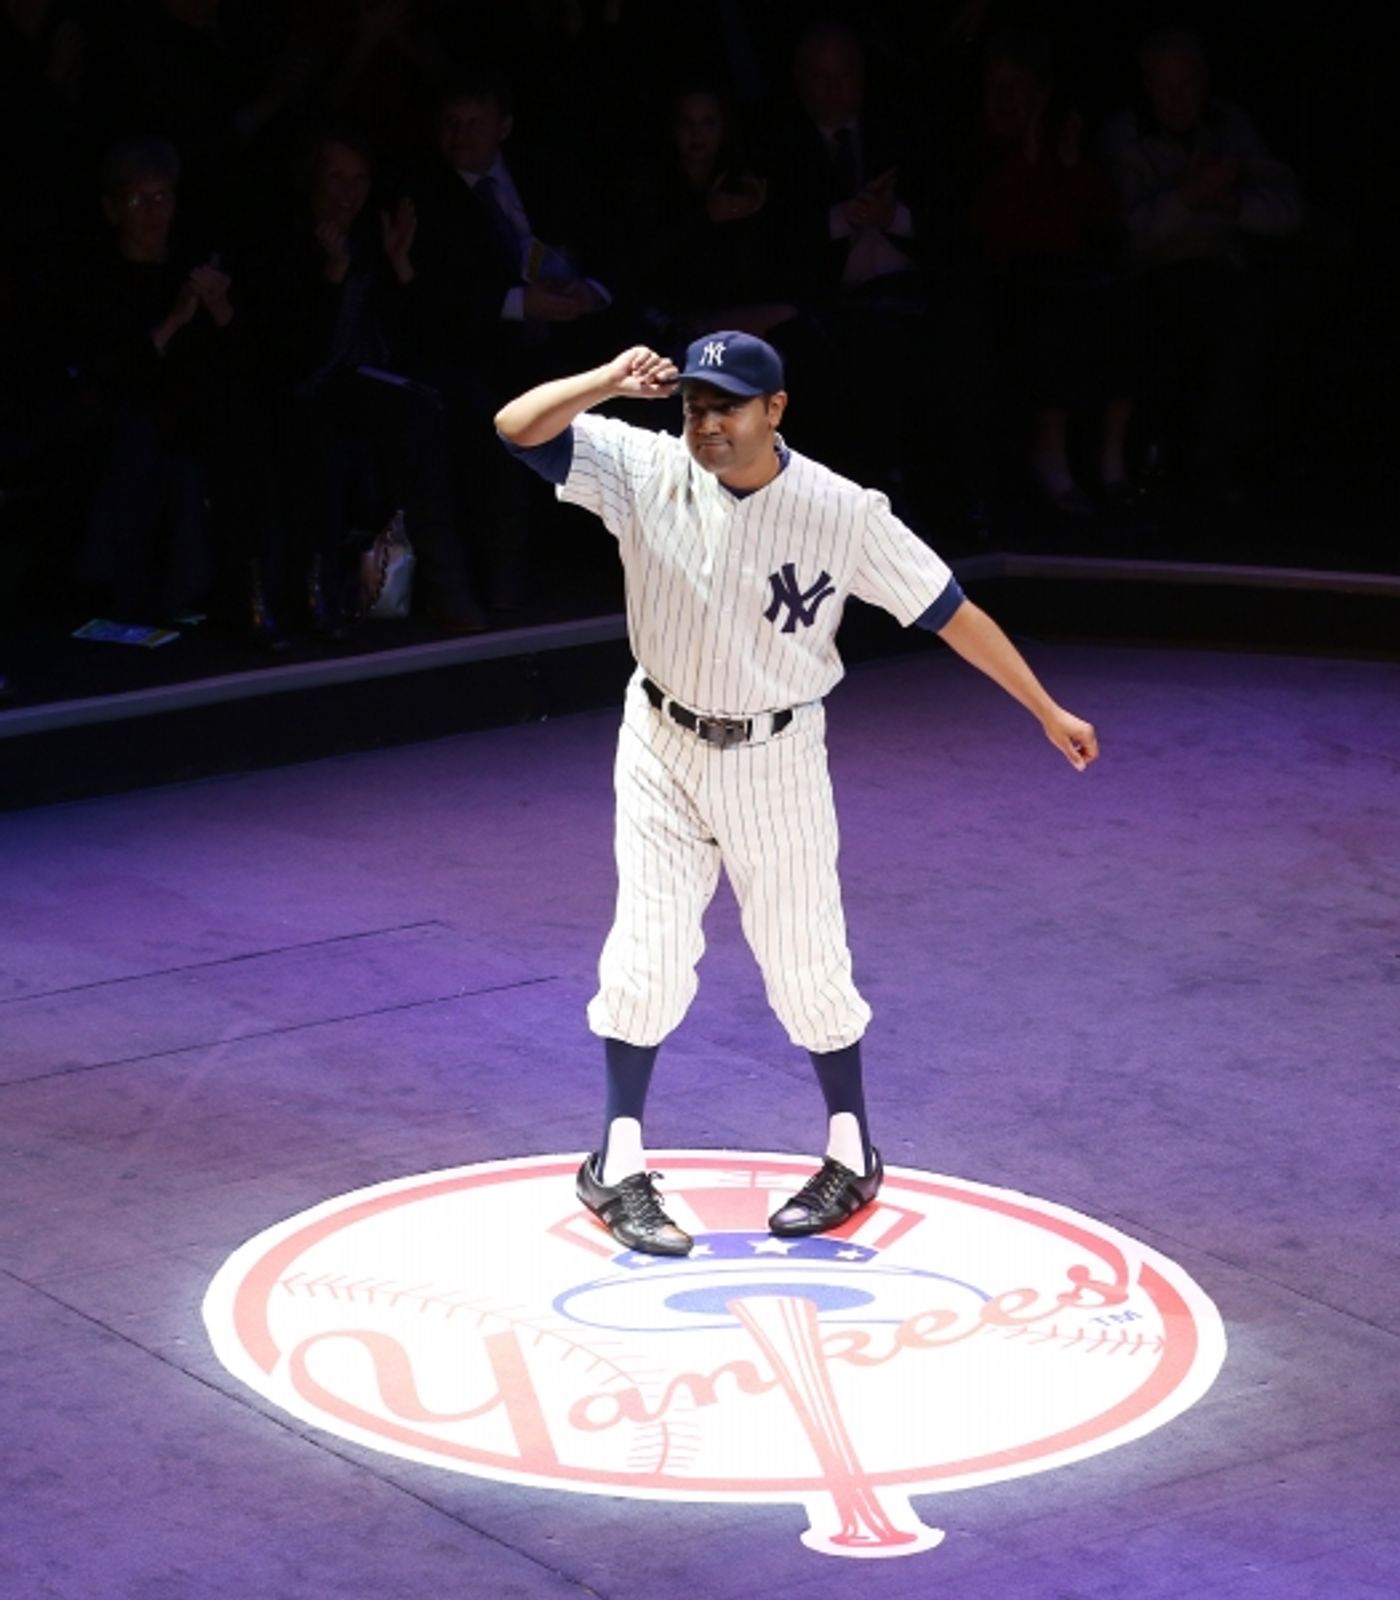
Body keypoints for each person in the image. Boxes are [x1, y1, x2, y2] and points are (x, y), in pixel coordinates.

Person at [495, 330, 1099, 1256]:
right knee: (647, 953)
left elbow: (949, 611)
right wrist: (611, 380)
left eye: (727, 406)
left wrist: (1045, 708)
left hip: (775, 752)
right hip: (658, 738)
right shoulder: (645, 465)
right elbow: (517, 428)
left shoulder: (841, 511)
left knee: (804, 956)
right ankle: (614, 1162)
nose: (707, 423)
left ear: (775, 410)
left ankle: (851, 1152)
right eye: (695, 404)